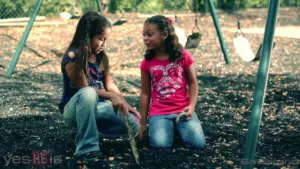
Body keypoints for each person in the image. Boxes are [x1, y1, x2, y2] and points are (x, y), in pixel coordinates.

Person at [58, 11, 141, 161]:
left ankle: (92, 132)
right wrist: (111, 96)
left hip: (99, 108)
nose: (104, 43)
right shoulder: (72, 57)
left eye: (105, 39)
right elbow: (84, 88)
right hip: (74, 110)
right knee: (88, 93)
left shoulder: (101, 57)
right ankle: (86, 148)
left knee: (136, 125)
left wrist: (126, 104)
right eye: (100, 39)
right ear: (87, 36)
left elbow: (110, 85)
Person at [135, 15, 206, 149]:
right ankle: (169, 129)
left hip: (182, 110)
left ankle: (176, 130)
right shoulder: (147, 63)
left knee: (197, 144)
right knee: (160, 145)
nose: (145, 38)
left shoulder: (183, 56)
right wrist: (143, 124)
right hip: (159, 112)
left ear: (165, 35)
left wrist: (191, 106)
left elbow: (193, 83)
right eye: (144, 35)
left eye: (149, 34)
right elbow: (145, 93)